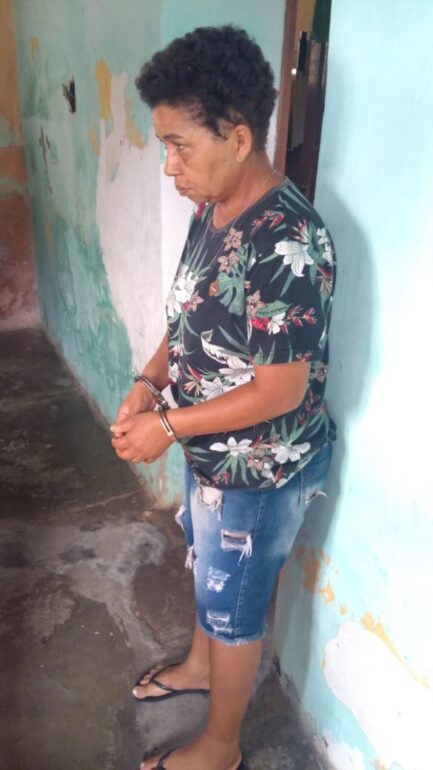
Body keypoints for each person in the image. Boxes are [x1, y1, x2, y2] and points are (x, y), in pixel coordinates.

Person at [111, 25, 336, 770]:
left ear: (238, 139)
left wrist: (168, 425)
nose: (168, 166)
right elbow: (186, 318)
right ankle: (200, 667)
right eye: (164, 145)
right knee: (209, 569)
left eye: (179, 146)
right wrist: (148, 384)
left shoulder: (286, 242)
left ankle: (219, 746)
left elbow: (280, 390)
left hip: (262, 471)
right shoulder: (214, 209)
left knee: (234, 607)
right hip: (211, 451)